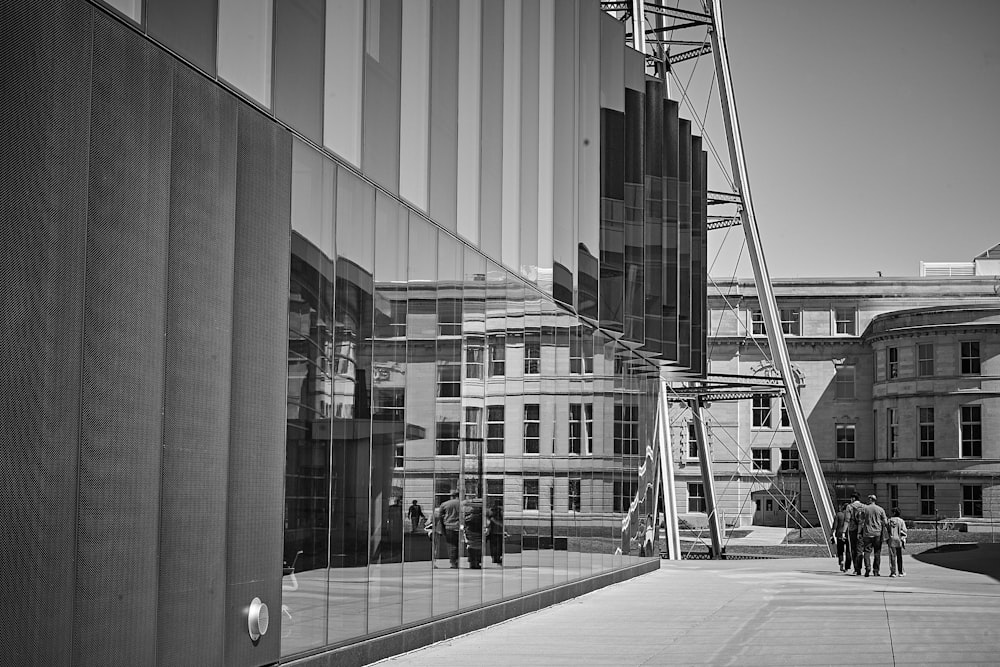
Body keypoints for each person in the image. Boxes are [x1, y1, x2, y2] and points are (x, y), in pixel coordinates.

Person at [858, 494, 888, 577]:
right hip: (877, 533)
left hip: (867, 533)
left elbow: (861, 521)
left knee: (867, 552)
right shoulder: (880, 509)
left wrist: (859, 532)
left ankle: (867, 567)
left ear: (870, 500)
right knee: (877, 553)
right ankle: (876, 570)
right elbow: (885, 522)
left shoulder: (865, 509)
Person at [437, 490, 462, 568]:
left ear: (452, 496)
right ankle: (457, 560)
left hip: (449, 527)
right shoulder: (463, 504)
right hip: (460, 527)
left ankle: (453, 562)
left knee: (451, 545)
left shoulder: (444, 504)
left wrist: (442, 527)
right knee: (458, 545)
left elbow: (440, 516)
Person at [846, 493, 865, 575]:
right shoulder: (864, 507)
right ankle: (860, 566)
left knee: (853, 549)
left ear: (853, 498)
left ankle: (856, 568)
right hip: (862, 530)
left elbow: (847, 519)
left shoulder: (849, 507)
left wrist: (843, 532)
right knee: (860, 550)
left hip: (852, 529)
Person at [463, 497, 484, 569]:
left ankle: (472, 562)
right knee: (478, 548)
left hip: (470, 533)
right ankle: (477, 562)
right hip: (478, 534)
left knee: (471, 547)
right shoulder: (481, 517)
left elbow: (465, 524)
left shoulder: (468, 517)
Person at [886, 507, 908, 577]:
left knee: (892, 557)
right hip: (899, 540)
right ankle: (900, 571)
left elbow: (886, 530)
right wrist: (903, 539)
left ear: (894, 513)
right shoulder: (901, 521)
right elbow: (904, 531)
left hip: (891, 540)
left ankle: (893, 572)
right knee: (899, 556)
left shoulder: (889, 521)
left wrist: (887, 539)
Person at [831, 502, 850, 572]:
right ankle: (847, 565)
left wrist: (831, 533)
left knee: (840, 550)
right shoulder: (849, 515)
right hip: (848, 534)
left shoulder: (838, 515)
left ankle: (841, 561)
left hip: (839, 534)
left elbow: (834, 525)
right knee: (848, 550)